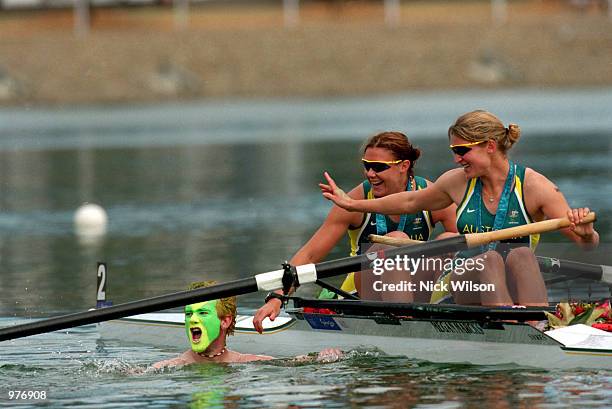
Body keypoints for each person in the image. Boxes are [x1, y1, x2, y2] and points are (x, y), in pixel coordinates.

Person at [320, 110, 599, 307]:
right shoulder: (456, 183)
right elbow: (409, 202)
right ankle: (510, 326)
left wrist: (586, 233)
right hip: (465, 283)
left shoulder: (536, 187)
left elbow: (586, 243)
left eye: (462, 150)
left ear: (490, 146)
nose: (456, 159)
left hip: (514, 279)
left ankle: (534, 323)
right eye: (454, 151)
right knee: (489, 260)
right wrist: (353, 203)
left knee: (521, 254)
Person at [253, 131, 457, 333]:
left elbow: (471, 246)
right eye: (367, 166)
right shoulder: (353, 200)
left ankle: (456, 317)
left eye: (378, 167)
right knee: (394, 241)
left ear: (404, 166)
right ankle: (407, 326)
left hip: (417, 288)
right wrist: (278, 296)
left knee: (452, 240)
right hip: (361, 291)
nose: (370, 174)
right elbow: (310, 255)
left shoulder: (431, 195)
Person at [153, 281, 342, 368]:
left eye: (202, 313)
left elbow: (289, 363)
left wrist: (320, 357)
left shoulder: (243, 362)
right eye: (189, 314)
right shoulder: (169, 366)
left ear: (225, 321)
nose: (193, 319)